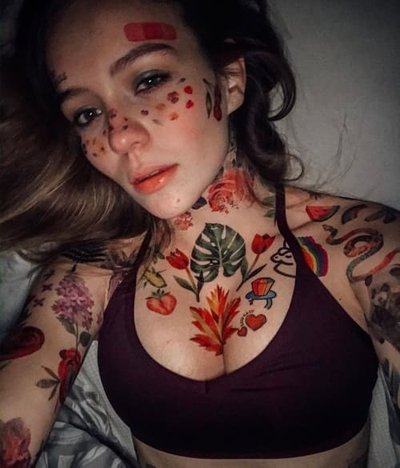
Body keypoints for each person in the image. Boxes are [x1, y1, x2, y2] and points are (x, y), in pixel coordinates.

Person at [0, 0, 399, 466]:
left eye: (148, 80)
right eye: (86, 113)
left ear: (230, 80)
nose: (118, 136)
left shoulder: (365, 250)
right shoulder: (87, 276)